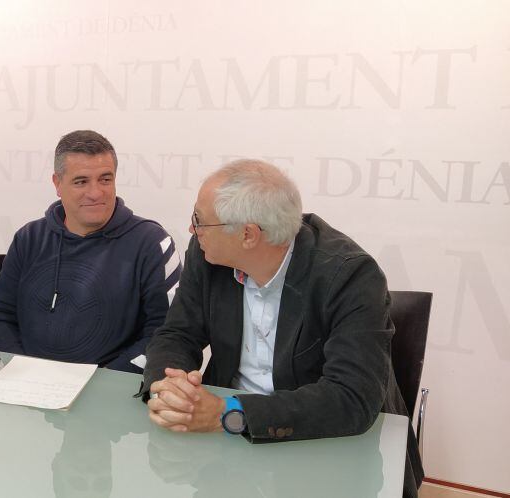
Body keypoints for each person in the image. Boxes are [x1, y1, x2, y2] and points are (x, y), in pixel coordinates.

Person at [140, 159, 423, 497]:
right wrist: (170, 387)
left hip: (321, 445)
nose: (191, 230)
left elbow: (351, 398)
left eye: (199, 221)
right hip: (226, 453)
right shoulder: (208, 255)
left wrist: (227, 414)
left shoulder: (349, 275)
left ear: (247, 234)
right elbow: (178, 334)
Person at [0, 130, 181, 373]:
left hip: (108, 393)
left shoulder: (152, 243)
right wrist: (23, 371)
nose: (96, 193)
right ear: (57, 184)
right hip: (27, 388)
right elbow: (1, 317)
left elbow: (164, 334)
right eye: (81, 181)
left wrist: (100, 383)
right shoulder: (28, 238)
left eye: (105, 180)